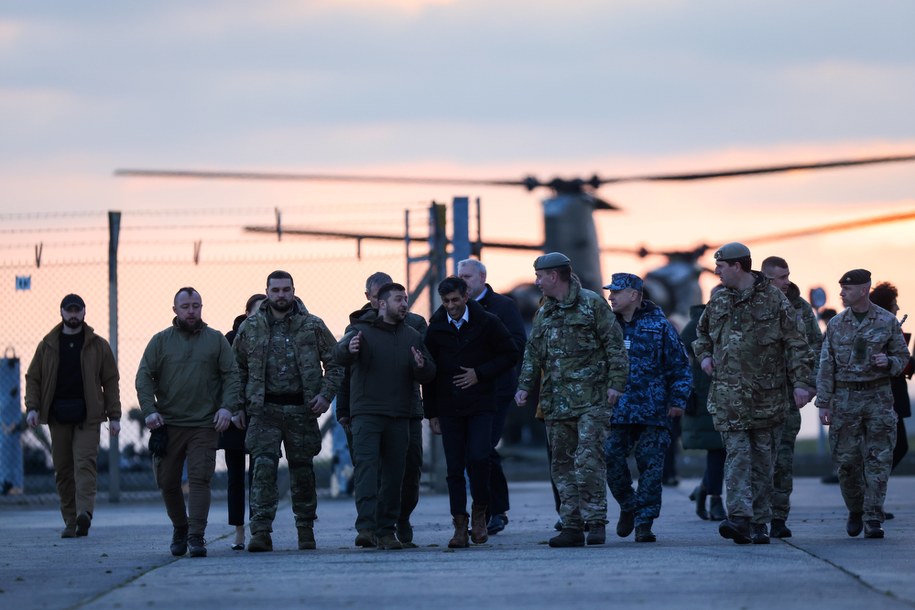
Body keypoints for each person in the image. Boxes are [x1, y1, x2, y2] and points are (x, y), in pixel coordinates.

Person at [692, 243, 815, 545]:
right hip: (729, 399)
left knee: (763, 461)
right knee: (736, 457)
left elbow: (796, 343)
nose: (717, 270)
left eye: (721, 265)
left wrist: (802, 383)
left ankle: (760, 522)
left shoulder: (774, 300)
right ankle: (739, 518)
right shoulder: (718, 302)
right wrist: (705, 357)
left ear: (738, 266)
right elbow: (702, 336)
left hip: (767, 398)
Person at [515, 252, 629, 548]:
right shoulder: (544, 311)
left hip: (592, 400)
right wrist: (524, 387)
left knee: (588, 460)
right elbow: (532, 352)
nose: (537, 282)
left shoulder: (592, 304)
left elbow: (615, 346)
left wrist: (616, 384)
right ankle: (572, 526)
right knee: (562, 466)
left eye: (540, 276)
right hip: (556, 402)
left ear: (554, 276)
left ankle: (596, 522)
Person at [233, 271, 343, 553]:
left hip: (301, 410)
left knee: (303, 470)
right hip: (264, 410)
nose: (281, 295)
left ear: (294, 290)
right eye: (275, 290)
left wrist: (325, 396)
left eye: (286, 289)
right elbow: (235, 371)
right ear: (267, 292)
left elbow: (336, 362)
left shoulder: (312, 326)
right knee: (262, 469)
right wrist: (238, 407)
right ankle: (260, 531)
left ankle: (305, 529)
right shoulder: (251, 327)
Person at [136, 287, 240, 557]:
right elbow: (144, 377)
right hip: (168, 424)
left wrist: (227, 408)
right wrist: (149, 410)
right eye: (186, 307)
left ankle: (196, 536)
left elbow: (232, 376)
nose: (191, 311)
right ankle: (180, 527)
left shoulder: (216, 340)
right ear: (175, 310)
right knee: (167, 481)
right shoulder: (160, 342)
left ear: (201, 307)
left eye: (196, 305)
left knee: (199, 479)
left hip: (205, 424)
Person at [334, 282, 436, 550]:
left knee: (395, 475)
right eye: (399, 300)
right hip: (366, 413)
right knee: (367, 471)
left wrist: (421, 366)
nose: (404, 304)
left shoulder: (412, 336)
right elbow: (339, 357)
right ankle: (366, 529)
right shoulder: (359, 331)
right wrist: (348, 349)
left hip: (400, 415)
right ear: (381, 303)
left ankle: (387, 530)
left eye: (405, 300)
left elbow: (429, 372)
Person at [423, 276, 519, 547]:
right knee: (454, 467)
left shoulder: (488, 322)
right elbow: (429, 373)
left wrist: (480, 373)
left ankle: (480, 513)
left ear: (466, 296)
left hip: (480, 405)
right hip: (449, 407)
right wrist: (431, 413)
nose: (451, 306)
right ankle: (459, 524)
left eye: (455, 300)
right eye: (446, 302)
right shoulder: (436, 328)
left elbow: (510, 354)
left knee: (479, 458)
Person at [817, 269, 911, 539]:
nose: (841, 294)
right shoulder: (836, 324)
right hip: (845, 399)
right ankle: (855, 509)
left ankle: (873, 517)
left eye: (847, 289)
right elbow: (826, 365)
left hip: (878, 398)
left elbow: (901, 356)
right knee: (846, 463)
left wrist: (889, 362)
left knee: (879, 460)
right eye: (841, 288)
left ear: (863, 290)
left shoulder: (886, 321)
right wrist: (824, 403)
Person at [604, 273, 692, 543]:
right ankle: (629, 505)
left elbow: (680, 366)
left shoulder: (660, 326)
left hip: (654, 410)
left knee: (651, 468)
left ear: (634, 295)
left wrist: (678, 400)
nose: (611, 297)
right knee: (610, 458)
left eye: (617, 292)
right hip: (617, 411)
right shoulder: (607, 327)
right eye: (610, 292)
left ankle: (644, 522)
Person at [25, 294, 121, 538]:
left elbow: (110, 381)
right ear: (62, 312)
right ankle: (71, 521)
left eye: (78, 310)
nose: (74, 315)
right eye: (70, 310)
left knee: (85, 463)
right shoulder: (47, 345)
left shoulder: (98, 345)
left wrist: (115, 415)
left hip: (88, 416)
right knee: (63, 470)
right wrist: (33, 408)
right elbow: (33, 378)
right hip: (57, 416)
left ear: (85, 312)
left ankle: (84, 514)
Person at [457, 258, 527, 535]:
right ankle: (489, 509)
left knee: (483, 448)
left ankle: (494, 510)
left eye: (468, 277)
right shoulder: (455, 307)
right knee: (474, 451)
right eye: (460, 276)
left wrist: (484, 368)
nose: (464, 282)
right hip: (466, 391)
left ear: (483, 278)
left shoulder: (503, 307)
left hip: (496, 391)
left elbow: (517, 345)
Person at [761, 255, 824, 538]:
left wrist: (809, 384)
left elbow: (817, 347)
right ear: (767, 279)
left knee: (783, 460)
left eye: (788, 276)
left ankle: (778, 518)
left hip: (788, 397)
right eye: (781, 277)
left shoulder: (800, 308)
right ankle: (753, 516)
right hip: (756, 396)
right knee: (756, 460)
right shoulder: (752, 304)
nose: (787, 282)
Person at [221, 293, 265, 550]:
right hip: (235, 415)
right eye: (256, 311)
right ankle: (238, 532)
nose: (260, 315)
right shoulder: (229, 340)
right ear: (246, 313)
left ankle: (258, 529)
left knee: (258, 478)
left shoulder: (271, 337)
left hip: (261, 415)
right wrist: (233, 408)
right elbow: (223, 379)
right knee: (235, 477)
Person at [680, 286, 727, 522]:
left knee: (732, 451)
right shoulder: (698, 323)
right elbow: (682, 348)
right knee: (718, 449)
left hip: (732, 395)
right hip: (706, 397)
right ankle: (715, 498)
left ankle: (704, 489)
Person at [869, 282, 915, 490]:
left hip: (891, 398)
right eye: (894, 304)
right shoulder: (883, 329)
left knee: (894, 448)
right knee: (896, 447)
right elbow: (893, 365)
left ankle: (872, 493)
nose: (898, 308)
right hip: (886, 400)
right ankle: (871, 492)